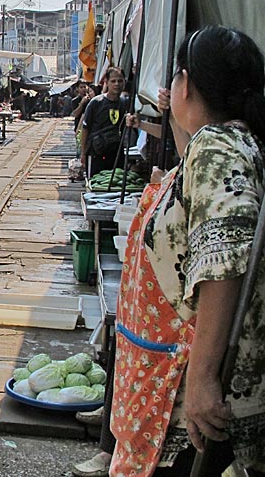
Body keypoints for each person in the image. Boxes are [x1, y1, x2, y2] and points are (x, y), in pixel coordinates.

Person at [105, 26, 265, 476]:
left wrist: (202, 379)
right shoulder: (230, 142)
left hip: (184, 399)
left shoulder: (217, 149)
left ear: (187, 84)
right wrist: (174, 118)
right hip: (174, 379)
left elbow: (223, 262)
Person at [80, 67, 130, 177]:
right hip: (97, 153)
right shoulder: (96, 103)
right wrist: (83, 153)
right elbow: (85, 129)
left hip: (116, 153)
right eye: (113, 81)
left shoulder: (125, 103)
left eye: (120, 81)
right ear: (106, 83)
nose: (117, 84)